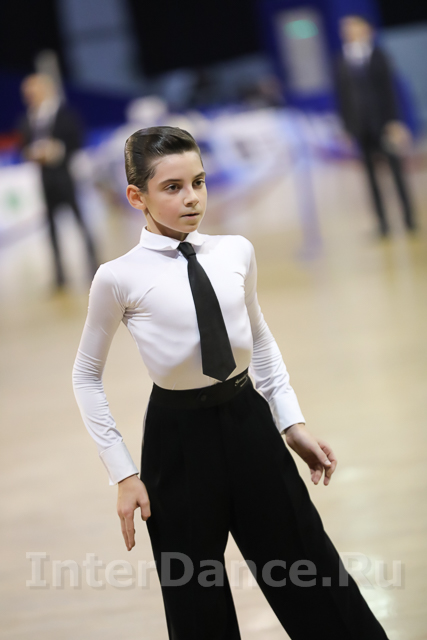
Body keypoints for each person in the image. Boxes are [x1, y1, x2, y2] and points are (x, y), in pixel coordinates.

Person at [72, 126, 390, 639]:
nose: (192, 198)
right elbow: (86, 376)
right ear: (136, 196)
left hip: (249, 425)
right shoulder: (117, 277)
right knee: (196, 603)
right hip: (176, 444)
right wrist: (123, 473)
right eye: (172, 187)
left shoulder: (235, 251)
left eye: (198, 182)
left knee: (311, 572)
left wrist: (290, 422)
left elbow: (259, 338)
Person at [335, 15, 417, 237]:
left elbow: (391, 92)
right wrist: (347, 129)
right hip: (361, 128)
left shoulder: (379, 56)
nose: (350, 33)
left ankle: (409, 219)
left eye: (354, 28)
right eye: (346, 30)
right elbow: (343, 98)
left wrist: (395, 122)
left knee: (396, 172)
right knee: (370, 178)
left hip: (384, 123)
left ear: (365, 30)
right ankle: (383, 224)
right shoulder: (342, 60)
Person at [19, 73, 98, 288]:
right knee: (51, 227)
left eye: (33, 90)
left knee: (80, 221)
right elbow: (23, 145)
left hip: (65, 175)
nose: (29, 95)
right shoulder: (29, 118)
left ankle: (94, 264)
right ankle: (59, 274)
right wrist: (32, 153)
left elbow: (76, 139)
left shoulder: (63, 113)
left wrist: (58, 150)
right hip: (45, 178)